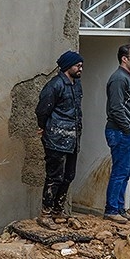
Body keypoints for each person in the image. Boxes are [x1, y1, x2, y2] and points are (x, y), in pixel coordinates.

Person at [34, 50, 84, 221]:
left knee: (69, 175)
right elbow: (42, 110)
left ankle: (58, 209)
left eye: (81, 65)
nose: (80, 69)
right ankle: (45, 214)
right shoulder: (55, 85)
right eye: (77, 65)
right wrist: (44, 127)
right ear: (67, 66)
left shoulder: (76, 85)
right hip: (56, 139)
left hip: (73, 139)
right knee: (54, 176)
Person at [103, 44, 130, 224]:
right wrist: (127, 129)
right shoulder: (119, 79)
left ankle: (119, 208)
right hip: (120, 131)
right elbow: (116, 107)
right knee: (120, 171)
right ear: (124, 59)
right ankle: (111, 210)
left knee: (126, 171)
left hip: (129, 130)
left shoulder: (128, 77)